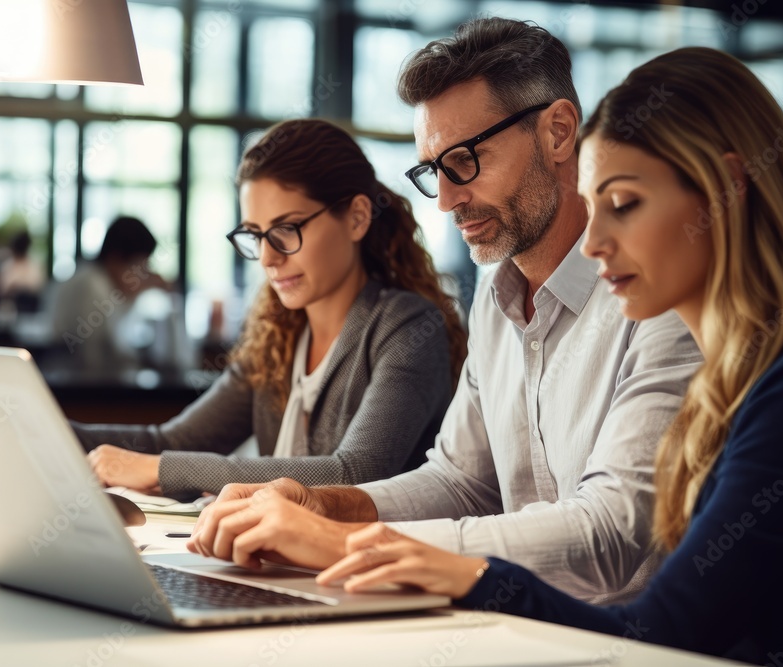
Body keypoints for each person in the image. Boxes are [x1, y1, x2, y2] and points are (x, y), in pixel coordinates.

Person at [315, 47, 783, 666]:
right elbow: (463, 480)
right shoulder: (744, 377)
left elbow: (663, 620)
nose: (593, 241)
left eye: (622, 205)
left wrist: (457, 572)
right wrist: (339, 513)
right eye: (436, 170)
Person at [186, 17, 702, 604]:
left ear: (559, 132)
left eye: (464, 161)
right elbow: (461, 482)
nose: (449, 200)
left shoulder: (661, 298)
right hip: (505, 621)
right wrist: (330, 504)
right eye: (434, 171)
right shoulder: (495, 297)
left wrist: (339, 540)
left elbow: (608, 537)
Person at [72, 119, 467, 498]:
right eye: (256, 235)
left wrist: (158, 469)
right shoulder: (277, 335)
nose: (267, 258)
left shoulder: (409, 326)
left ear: (357, 218)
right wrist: (38, 425)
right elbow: (171, 441)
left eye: (286, 229)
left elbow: (354, 472)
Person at [52, 215, 171, 377]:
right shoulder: (92, 285)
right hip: (76, 386)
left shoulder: (96, 279)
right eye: (138, 267)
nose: (142, 277)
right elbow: (100, 354)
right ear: (114, 259)